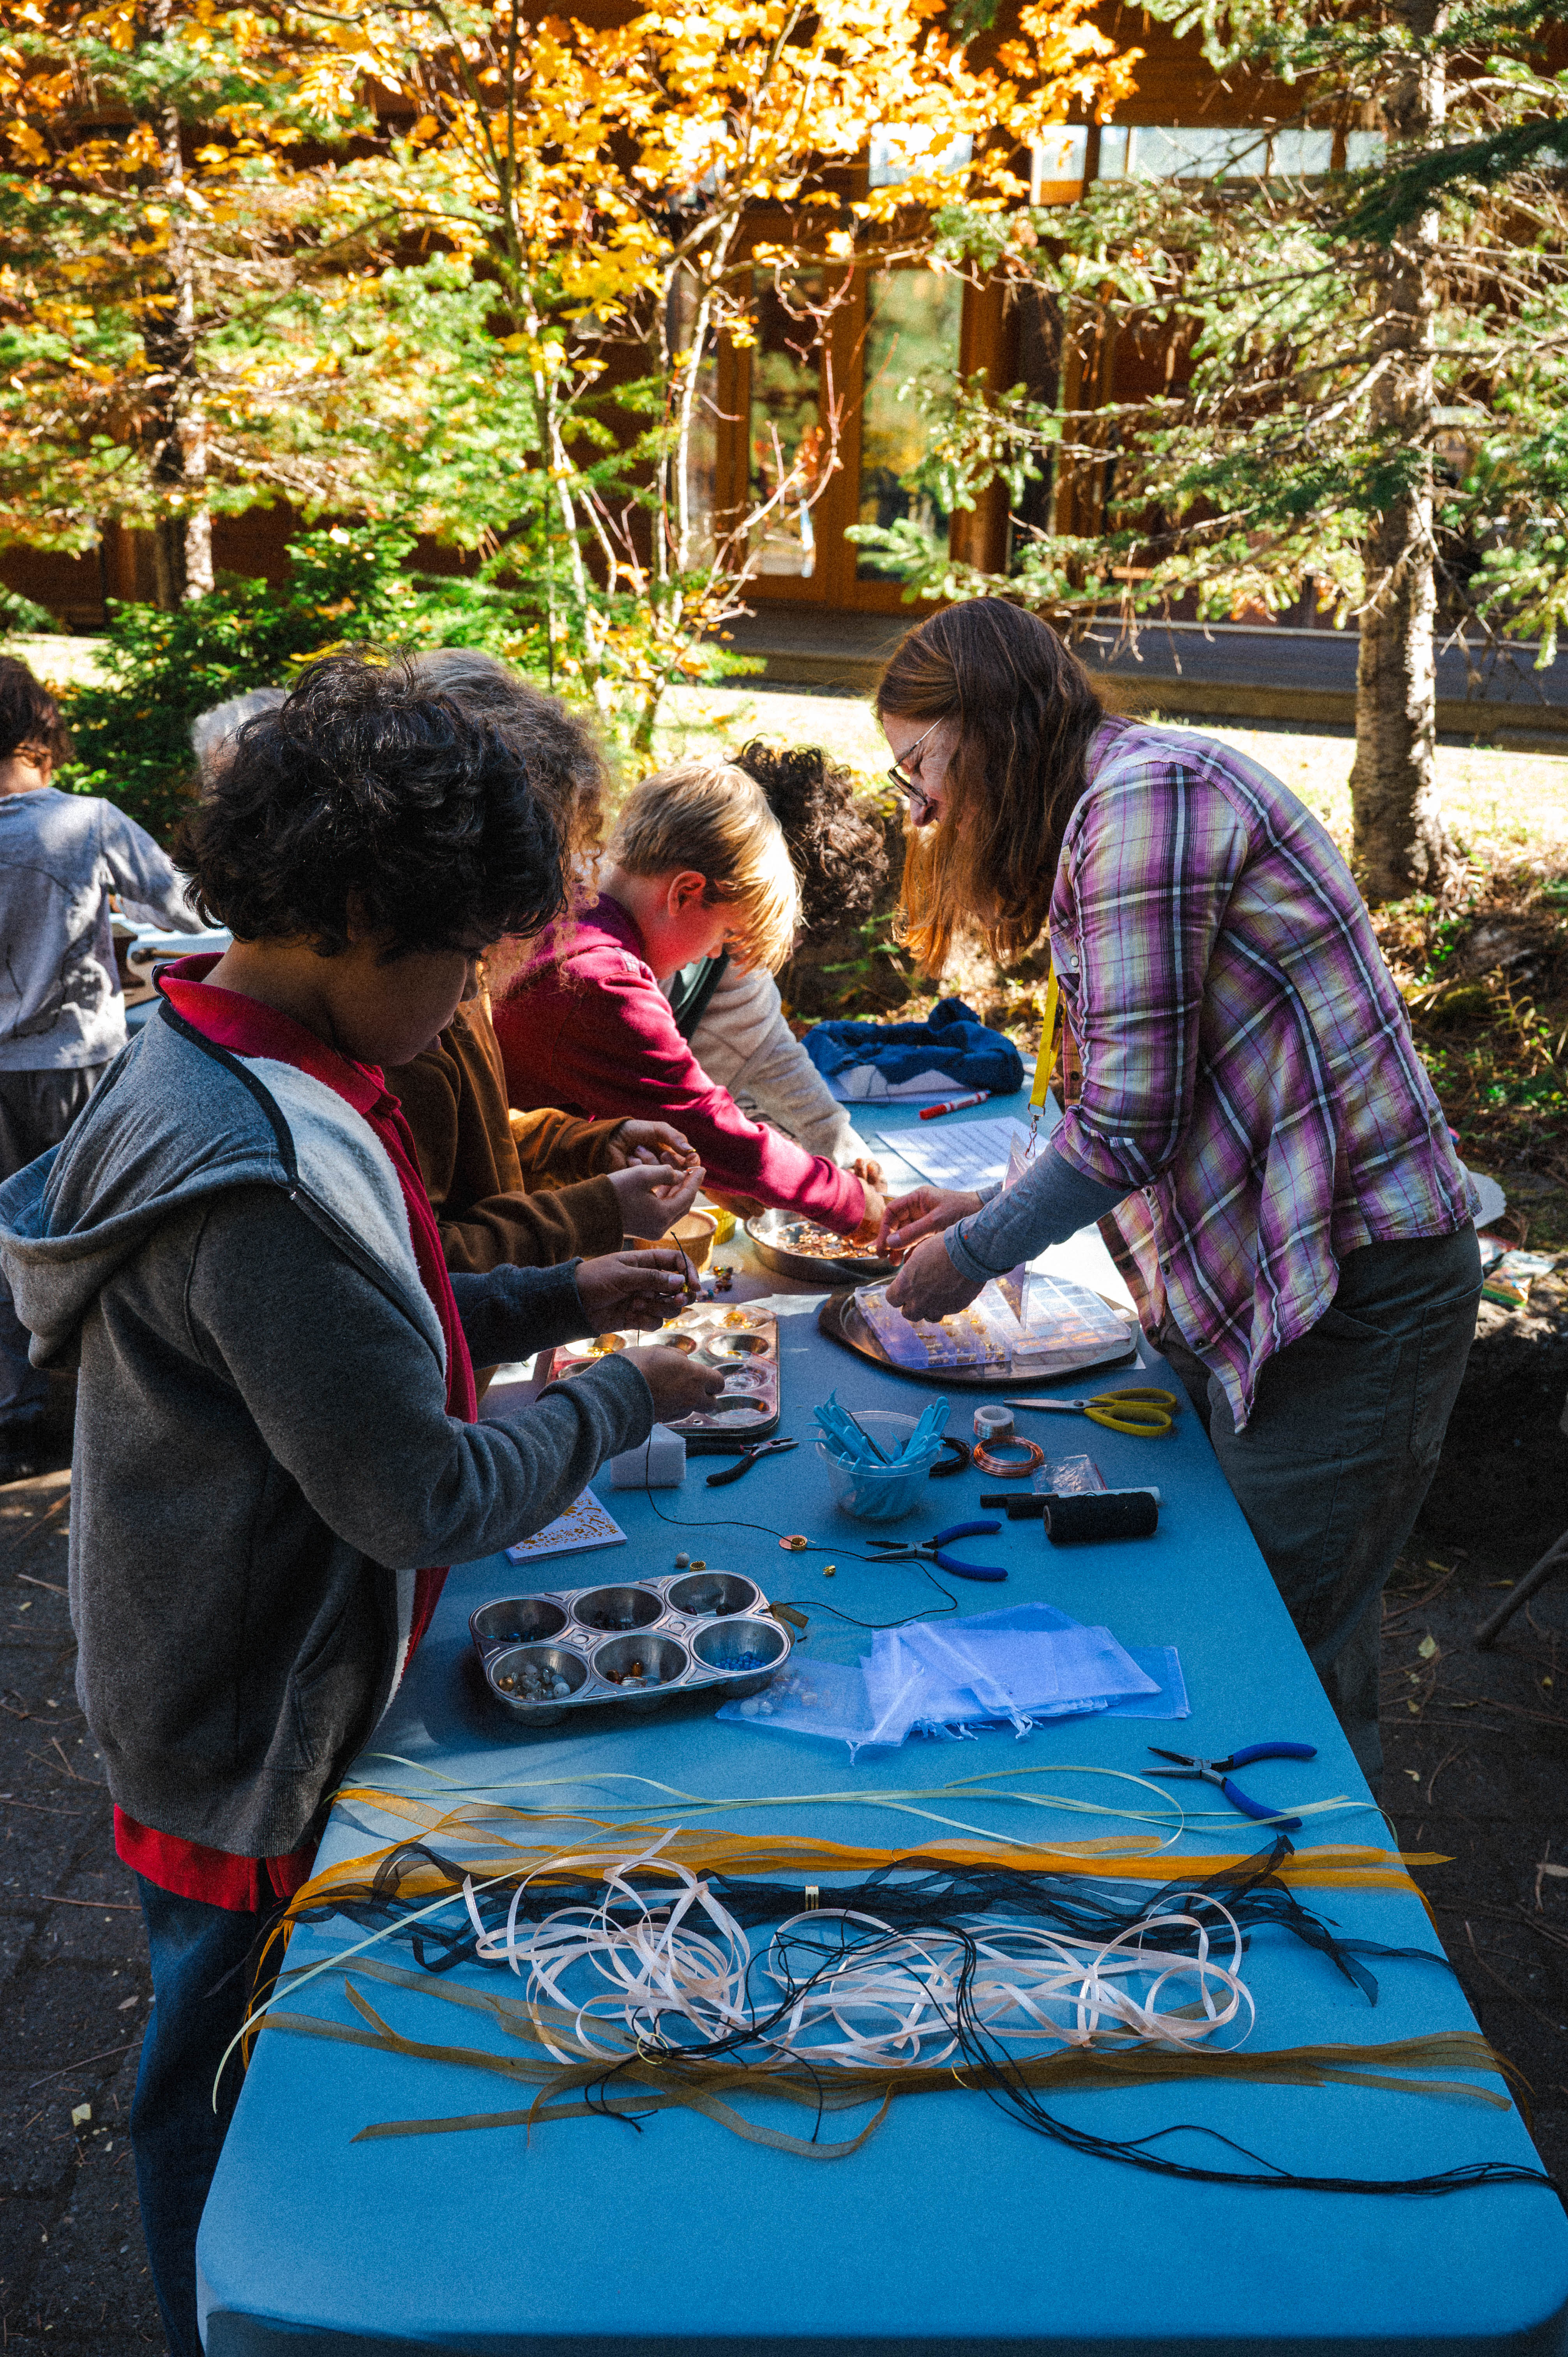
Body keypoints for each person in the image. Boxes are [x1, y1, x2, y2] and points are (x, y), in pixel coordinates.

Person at [0, 656, 724, 2357]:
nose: (472, 993)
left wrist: (559, 1295)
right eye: (462, 958)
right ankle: (230, 2315)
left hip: (249, 1662)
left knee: (252, 2044)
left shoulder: (260, 1056)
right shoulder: (250, 1163)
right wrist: (628, 1392)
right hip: (241, 1723)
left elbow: (362, 1327)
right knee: (220, 2077)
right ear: (353, 920)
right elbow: (417, 1487)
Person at [873, 599, 1481, 1790]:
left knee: (1259, 1660)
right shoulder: (1115, 812)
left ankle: (1300, 1880)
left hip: (1354, 1298)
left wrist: (977, 1256)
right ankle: (1314, 1857)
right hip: (1287, 1288)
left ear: (987, 729)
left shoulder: (1143, 808)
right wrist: (987, 1206)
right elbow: (1124, 1088)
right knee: (1296, 1643)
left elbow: (1130, 1127)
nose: (921, 810)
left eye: (919, 767)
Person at [493, 758, 885, 1239]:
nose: (716, 953)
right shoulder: (604, 984)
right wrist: (847, 1200)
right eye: (725, 933)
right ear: (685, 893)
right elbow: (705, 1124)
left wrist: (712, 1171)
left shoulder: (564, 906)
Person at [0, 656, 204, 1480]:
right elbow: (181, 906)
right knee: (95, 1232)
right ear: (41, 737)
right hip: (73, 1060)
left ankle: (15, 1417)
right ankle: (106, 1402)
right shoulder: (85, 822)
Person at [670, 738, 885, 1187]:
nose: (786, 953)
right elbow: (665, 1092)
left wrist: (840, 1147)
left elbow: (771, 1048)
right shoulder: (657, 949)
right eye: (789, 928)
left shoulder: (729, 951)